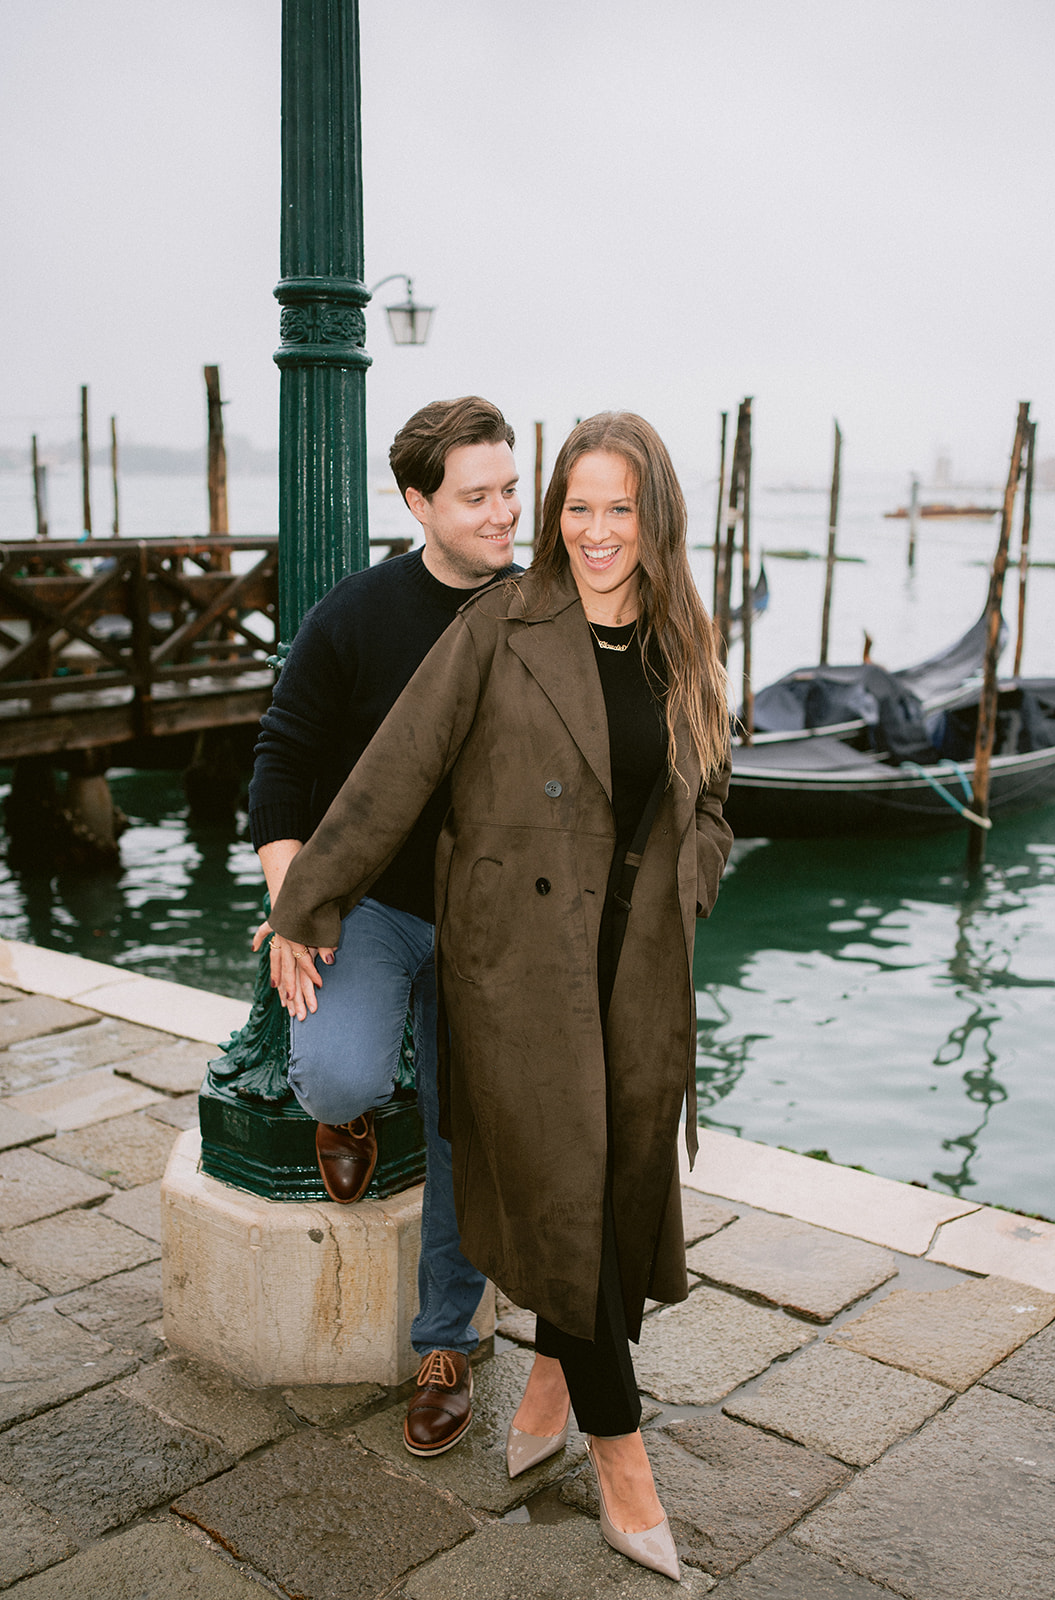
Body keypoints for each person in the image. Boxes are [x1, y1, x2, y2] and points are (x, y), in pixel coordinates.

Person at [269, 412, 733, 1582]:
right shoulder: (498, 625)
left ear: (653, 516)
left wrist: (692, 881)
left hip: (635, 968)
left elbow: (716, 798)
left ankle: (544, 1378)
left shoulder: (685, 640)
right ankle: (622, 1459)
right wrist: (300, 903)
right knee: (568, 1195)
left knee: (623, 1185)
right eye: (574, 507)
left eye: (615, 508)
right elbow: (388, 775)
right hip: (517, 971)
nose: (590, 531)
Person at [248, 395, 522, 1459]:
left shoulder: (535, 613)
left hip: (491, 928)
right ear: (417, 502)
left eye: (510, 488)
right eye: (477, 496)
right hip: (369, 906)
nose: (505, 513)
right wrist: (290, 906)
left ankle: (444, 1342)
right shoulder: (357, 613)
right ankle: (352, 1109)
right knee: (337, 1074)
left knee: (467, 1129)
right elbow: (280, 754)